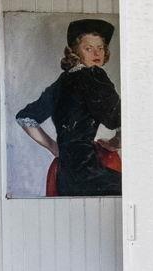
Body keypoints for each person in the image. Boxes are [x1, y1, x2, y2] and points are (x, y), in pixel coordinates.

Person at [16, 18, 121, 197]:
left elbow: (25, 117)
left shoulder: (62, 82)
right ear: (75, 52)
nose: (96, 53)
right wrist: (116, 141)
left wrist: (54, 147)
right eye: (88, 48)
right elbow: (118, 118)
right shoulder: (94, 76)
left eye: (100, 48)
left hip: (64, 176)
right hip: (88, 175)